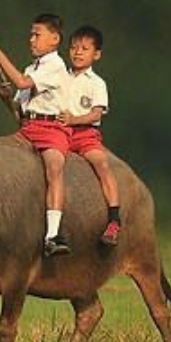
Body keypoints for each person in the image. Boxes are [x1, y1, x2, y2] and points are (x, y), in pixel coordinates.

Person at [0, 14, 73, 257]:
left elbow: (22, 83)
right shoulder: (32, 68)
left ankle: (53, 235)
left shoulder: (55, 65)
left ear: (54, 39)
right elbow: (19, 113)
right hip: (28, 128)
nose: (31, 40)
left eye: (37, 35)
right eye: (31, 34)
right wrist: (5, 99)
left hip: (52, 130)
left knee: (54, 168)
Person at [60, 25, 122, 245]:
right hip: (61, 133)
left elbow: (96, 113)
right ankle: (57, 225)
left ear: (96, 54)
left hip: (85, 134)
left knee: (102, 165)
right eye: (74, 47)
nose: (77, 52)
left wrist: (74, 120)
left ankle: (114, 219)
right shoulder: (59, 78)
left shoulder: (97, 83)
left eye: (84, 48)